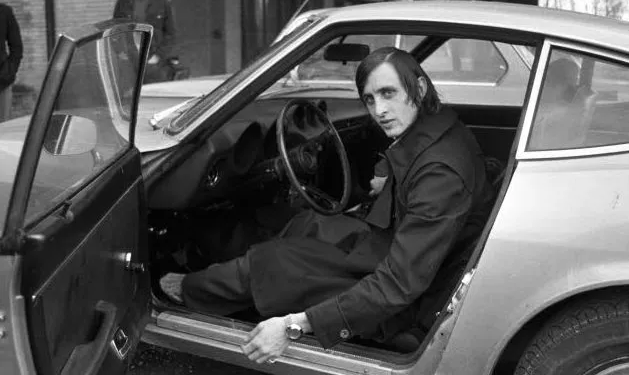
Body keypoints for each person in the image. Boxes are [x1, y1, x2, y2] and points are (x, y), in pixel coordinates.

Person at [160, 47, 494, 363]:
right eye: (370, 99)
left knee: (274, 261)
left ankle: (192, 291)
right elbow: (420, 189)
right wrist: (391, 182)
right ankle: (222, 269)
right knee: (303, 222)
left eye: (388, 93)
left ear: (419, 88)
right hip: (395, 248)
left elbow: (398, 285)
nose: (378, 110)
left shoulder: (440, 175)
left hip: (402, 303)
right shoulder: (439, 130)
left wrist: (294, 326)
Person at [113, 0, 177, 84]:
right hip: (129, 64)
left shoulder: (162, 0)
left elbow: (171, 33)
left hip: (153, 65)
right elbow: (115, 30)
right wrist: (120, 52)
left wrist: (158, 56)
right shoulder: (123, 0)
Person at [0, 3, 23, 121]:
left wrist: (9, 72)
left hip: (1, 82)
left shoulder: (4, 12)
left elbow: (16, 47)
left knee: (2, 128)